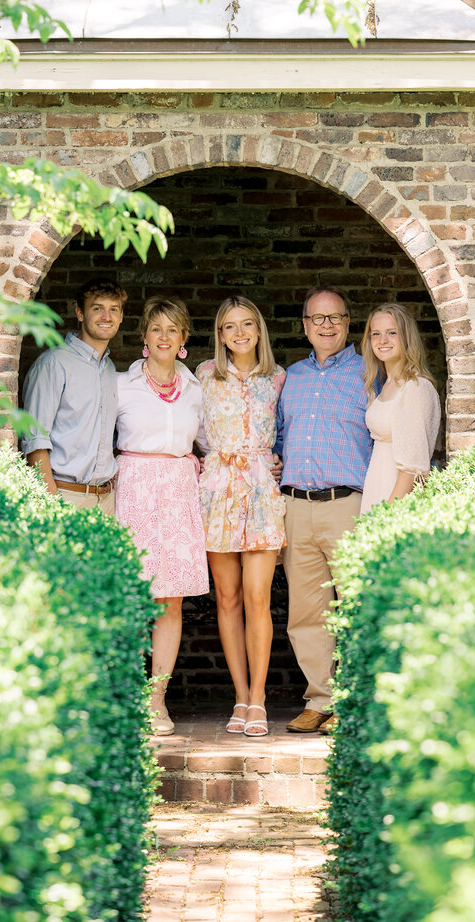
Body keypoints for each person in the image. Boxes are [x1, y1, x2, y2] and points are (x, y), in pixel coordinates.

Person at [275, 286, 372, 734]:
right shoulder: (291, 377)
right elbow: (276, 439)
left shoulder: (371, 373)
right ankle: (320, 699)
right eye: (318, 319)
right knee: (307, 613)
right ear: (305, 325)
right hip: (297, 504)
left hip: (348, 504)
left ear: (348, 323)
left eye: (335, 318)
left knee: (354, 605)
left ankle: (351, 702)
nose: (326, 325)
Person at [114, 294, 209, 736]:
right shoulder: (120, 385)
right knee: (134, 595)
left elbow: (214, 441)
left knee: (170, 601)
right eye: (156, 329)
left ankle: (156, 700)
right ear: (144, 338)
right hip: (132, 487)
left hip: (179, 490)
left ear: (184, 339)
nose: (165, 336)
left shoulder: (197, 390)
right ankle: (125, 695)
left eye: (173, 329)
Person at [197, 296, 286, 739]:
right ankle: (239, 694)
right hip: (217, 492)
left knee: (257, 597)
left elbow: (290, 432)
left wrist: (280, 461)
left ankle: (259, 699)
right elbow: (190, 431)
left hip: (261, 492)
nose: (239, 333)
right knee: (227, 599)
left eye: (247, 323)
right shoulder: (202, 377)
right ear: (220, 335)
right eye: (229, 326)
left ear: (259, 329)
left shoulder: (280, 378)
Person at [22, 277, 126, 512]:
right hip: (66, 496)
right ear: (80, 313)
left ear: (121, 317)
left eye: (113, 310)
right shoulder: (54, 364)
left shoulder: (109, 369)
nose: (106, 317)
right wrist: (52, 505)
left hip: (106, 500)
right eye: (97, 308)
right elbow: (35, 442)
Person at [360, 303, 441, 514]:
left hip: (396, 497)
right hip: (376, 488)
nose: (383, 340)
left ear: (406, 337)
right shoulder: (383, 385)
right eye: (375, 334)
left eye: (392, 333)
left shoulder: (416, 387)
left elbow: (413, 469)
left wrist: (388, 513)